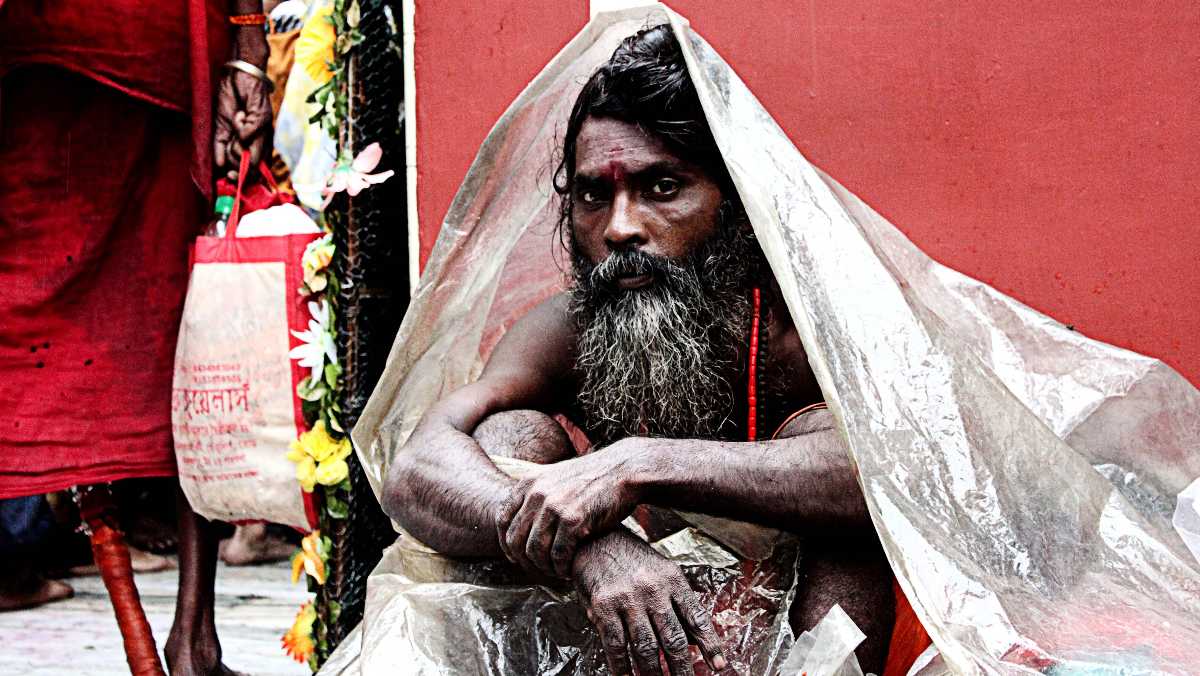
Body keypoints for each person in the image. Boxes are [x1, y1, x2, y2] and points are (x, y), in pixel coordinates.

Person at [383, 25, 923, 676]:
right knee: (508, 439)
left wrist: (637, 465)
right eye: (593, 195)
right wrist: (590, 549)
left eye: (662, 188)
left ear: (731, 201)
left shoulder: (803, 320)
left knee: (823, 445)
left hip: (814, 637)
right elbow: (417, 465)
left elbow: (896, 474)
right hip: (628, 623)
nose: (619, 227)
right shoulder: (569, 328)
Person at [0, 1, 274, 673]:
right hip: (106, 51)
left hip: (139, 53)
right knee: (181, 325)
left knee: (184, 326)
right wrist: (246, 38)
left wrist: (244, 39)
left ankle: (193, 641)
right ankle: (194, 642)